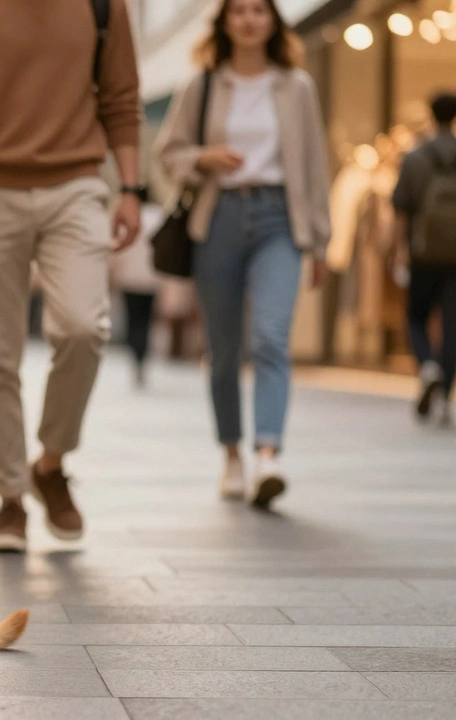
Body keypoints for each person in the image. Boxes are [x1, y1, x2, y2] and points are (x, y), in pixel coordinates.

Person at [0, 0, 142, 552]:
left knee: (84, 328)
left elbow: (120, 100)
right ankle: (10, 500)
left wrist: (132, 190)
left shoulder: (102, 5)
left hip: (77, 183)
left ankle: (51, 462)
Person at [156, 0, 331, 509]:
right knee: (225, 349)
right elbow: (167, 154)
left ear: (274, 21)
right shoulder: (203, 83)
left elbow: (315, 168)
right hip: (220, 219)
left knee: (272, 336)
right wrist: (203, 158)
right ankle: (231, 452)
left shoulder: (297, 86)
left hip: (280, 219)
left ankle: (268, 455)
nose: (250, 19)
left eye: (260, 10)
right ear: (224, 22)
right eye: (239, 11)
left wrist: (320, 240)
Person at [392, 92, 456, 426]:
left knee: (417, 316)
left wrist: (401, 251)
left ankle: (427, 365)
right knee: (452, 323)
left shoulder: (416, 157)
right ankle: (445, 395)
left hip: (424, 251)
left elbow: (402, 208)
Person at [109, 187, 166, 389]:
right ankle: (142, 358)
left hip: (129, 278)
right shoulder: (159, 217)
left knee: (133, 320)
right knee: (146, 320)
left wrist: (114, 273)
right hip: (151, 279)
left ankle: (136, 357)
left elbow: (118, 248)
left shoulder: (127, 216)